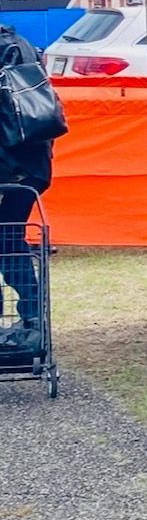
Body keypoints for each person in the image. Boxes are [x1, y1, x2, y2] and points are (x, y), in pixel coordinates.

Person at [0, 24, 55, 335]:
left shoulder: (8, 49)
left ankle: (31, 314)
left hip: (11, 162)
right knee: (8, 236)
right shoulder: (22, 44)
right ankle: (32, 316)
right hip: (31, 165)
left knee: (6, 236)